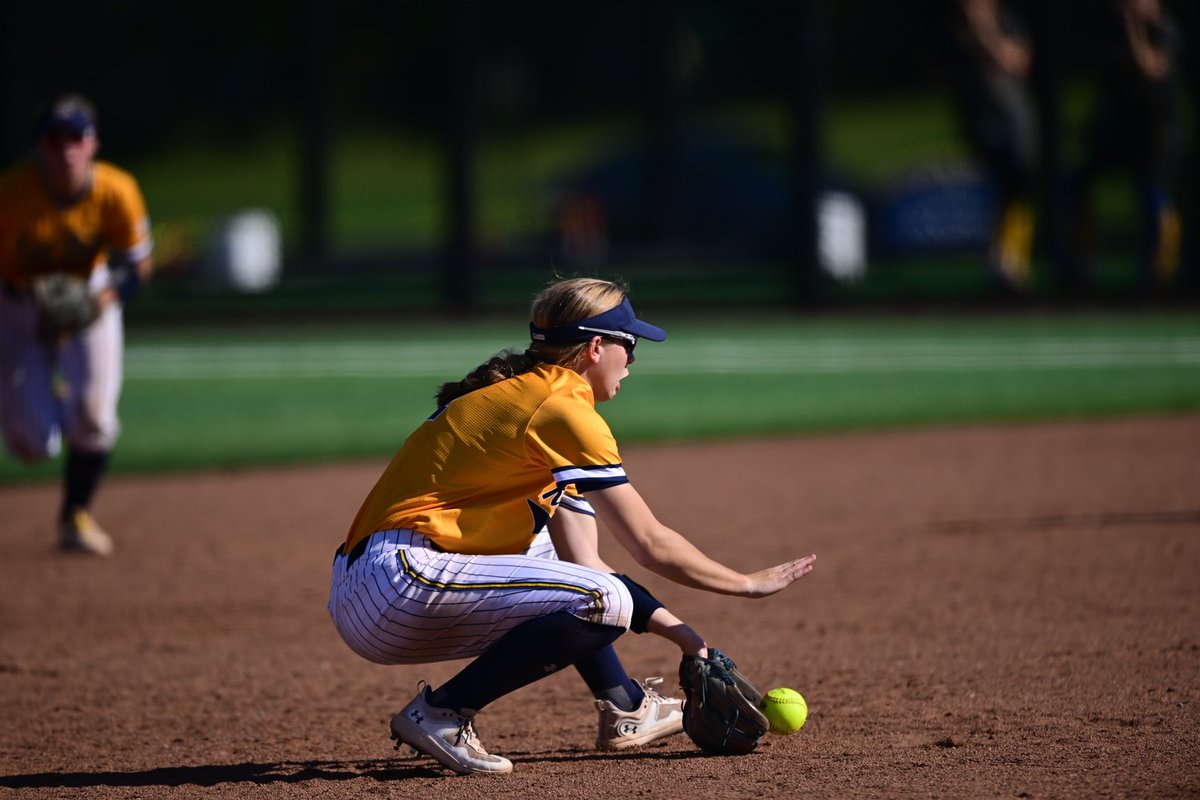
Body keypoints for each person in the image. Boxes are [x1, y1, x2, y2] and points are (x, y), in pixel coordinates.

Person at [327, 277, 817, 775]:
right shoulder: (562, 409)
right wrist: (745, 584)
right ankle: (442, 713)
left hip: (377, 585)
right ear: (596, 347)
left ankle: (626, 708)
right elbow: (649, 544)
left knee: (567, 568)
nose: (633, 361)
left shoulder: (531, 400)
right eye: (630, 346)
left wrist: (691, 641)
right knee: (605, 599)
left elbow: (585, 564)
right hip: (402, 579)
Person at [0, 93, 154, 555]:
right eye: (53, 138)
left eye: (75, 137)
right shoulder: (11, 195)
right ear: (39, 147)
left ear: (93, 144)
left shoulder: (117, 189)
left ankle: (75, 516)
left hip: (89, 292)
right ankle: (62, 401)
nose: (65, 148)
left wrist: (97, 301)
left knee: (96, 420)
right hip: (18, 302)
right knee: (32, 446)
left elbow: (137, 267)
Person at [1069, 0, 1184, 292]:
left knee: (1154, 196)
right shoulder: (1112, 31)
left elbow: (1150, 67)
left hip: (1156, 132)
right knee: (1076, 184)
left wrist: (1134, 28)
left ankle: (1160, 273)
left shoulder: (1163, 29)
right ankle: (1083, 264)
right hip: (1122, 132)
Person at [941, 0, 1040, 293]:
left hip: (1015, 119)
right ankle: (999, 264)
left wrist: (986, 32)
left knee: (1020, 185)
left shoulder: (1009, 22)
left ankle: (1012, 263)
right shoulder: (957, 33)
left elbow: (1015, 62)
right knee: (1000, 187)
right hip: (981, 120)